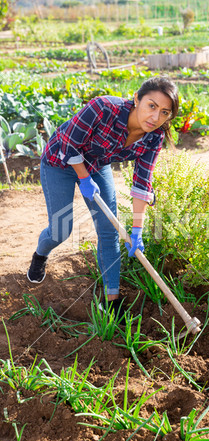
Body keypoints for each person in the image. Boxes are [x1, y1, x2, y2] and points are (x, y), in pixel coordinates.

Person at [27, 76, 179, 318]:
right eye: (151, 106)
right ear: (137, 99)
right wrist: (84, 178)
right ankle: (40, 255)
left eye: (164, 112)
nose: (155, 117)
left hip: (96, 164)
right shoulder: (103, 108)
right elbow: (70, 142)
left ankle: (112, 301)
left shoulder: (154, 137)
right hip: (60, 160)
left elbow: (142, 182)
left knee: (110, 231)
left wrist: (137, 230)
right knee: (60, 231)